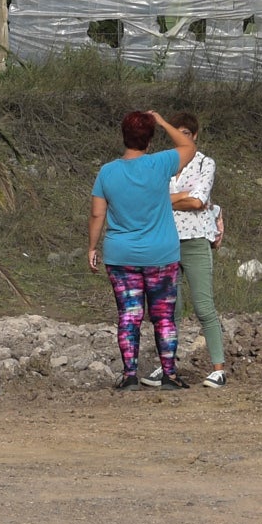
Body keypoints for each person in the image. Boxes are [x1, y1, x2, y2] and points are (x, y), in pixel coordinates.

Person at [88, 110, 199, 389]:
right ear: (150, 139)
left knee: (129, 315)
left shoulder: (107, 172)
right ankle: (169, 374)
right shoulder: (161, 163)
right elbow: (189, 147)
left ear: (123, 137)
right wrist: (163, 122)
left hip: (121, 254)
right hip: (162, 254)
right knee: (164, 316)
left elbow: (97, 215)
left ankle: (129, 375)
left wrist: (91, 246)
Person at [152, 109, 228, 389]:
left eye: (186, 134)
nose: (181, 138)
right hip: (167, 241)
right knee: (169, 309)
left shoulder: (205, 163)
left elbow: (198, 202)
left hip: (195, 240)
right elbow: (153, 196)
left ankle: (218, 369)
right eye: (177, 132)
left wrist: (172, 199)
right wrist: (184, 197)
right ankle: (166, 366)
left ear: (194, 136)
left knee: (204, 305)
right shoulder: (164, 163)